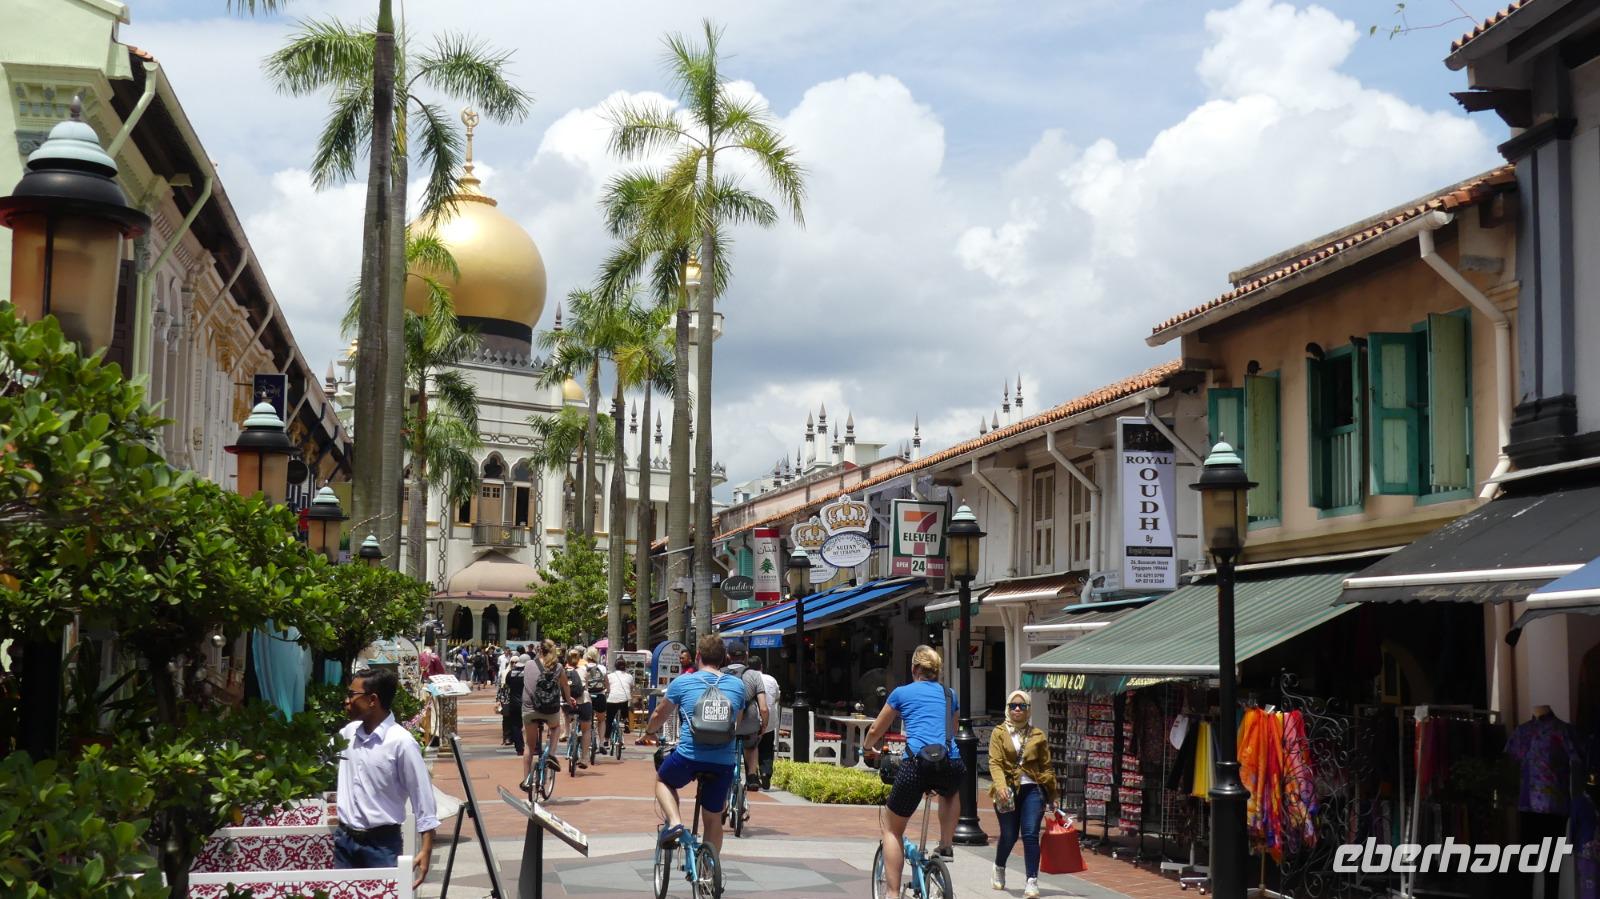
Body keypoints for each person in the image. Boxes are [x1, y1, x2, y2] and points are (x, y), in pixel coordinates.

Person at [863, 645, 962, 899]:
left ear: (915, 669)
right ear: (937, 671)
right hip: (949, 763)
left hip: (916, 765)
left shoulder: (901, 693)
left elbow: (877, 728)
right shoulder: (950, 694)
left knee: (892, 830)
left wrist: (868, 747)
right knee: (950, 793)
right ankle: (946, 845)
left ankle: (893, 893)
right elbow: (951, 730)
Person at [335, 668, 438, 889]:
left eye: (352, 695)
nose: (346, 701)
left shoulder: (401, 742)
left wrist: (426, 848)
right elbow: (317, 760)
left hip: (381, 845)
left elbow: (422, 796)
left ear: (373, 700)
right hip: (345, 842)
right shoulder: (347, 734)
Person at [646, 634, 747, 857]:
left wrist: (649, 731)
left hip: (688, 758)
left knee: (663, 780)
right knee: (713, 819)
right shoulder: (738, 686)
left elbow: (659, 714)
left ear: (698, 656)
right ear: (724, 658)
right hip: (723, 762)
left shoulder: (683, 682)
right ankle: (708, 869)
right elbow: (736, 724)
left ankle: (674, 823)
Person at [989, 689, 1056, 897]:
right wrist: (1000, 786)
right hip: (1006, 790)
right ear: (1008, 708)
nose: (1017, 709)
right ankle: (999, 867)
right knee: (1009, 835)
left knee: (1030, 834)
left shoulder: (1037, 735)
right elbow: (995, 762)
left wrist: (1051, 795)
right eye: (1013, 706)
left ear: (1028, 709)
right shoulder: (999, 732)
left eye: (1022, 706)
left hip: (1032, 789)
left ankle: (1031, 880)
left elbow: (1046, 766)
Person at [519, 640, 570, 791]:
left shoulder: (528, 665)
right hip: (550, 710)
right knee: (555, 728)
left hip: (530, 708)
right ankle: (551, 755)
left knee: (529, 745)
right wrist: (569, 700)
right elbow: (565, 685)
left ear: (539, 650)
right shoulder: (559, 667)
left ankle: (527, 780)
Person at [721, 641, 769, 793]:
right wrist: (764, 725)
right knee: (752, 745)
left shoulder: (720, 673)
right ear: (746, 655)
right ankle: (752, 776)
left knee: (724, 744)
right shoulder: (754, 675)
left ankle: (723, 772)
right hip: (749, 721)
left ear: (728, 656)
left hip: (727, 721)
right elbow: (763, 707)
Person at [750, 656, 780, 790]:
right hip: (769, 721)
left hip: (752, 721)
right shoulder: (771, 679)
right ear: (761, 666)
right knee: (767, 748)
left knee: (750, 748)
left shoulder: (747, 679)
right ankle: (765, 772)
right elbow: (777, 696)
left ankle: (753, 777)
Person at [564, 648, 593, 770]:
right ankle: (585, 758)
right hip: (584, 701)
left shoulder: (563, 671)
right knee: (586, 730)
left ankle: (567, 735)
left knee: (566, 717)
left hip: (568, 702)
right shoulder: (585, 671)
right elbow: (587, 685)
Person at [583, 647, 609, 751]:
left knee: (586, 720)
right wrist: (607, 690)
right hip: (600, 696)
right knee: (602, 720)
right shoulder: (602, 668)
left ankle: (585, 741)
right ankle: (601, 743)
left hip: (587, 696)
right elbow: (607, 684)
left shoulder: (583, 667)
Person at [605, 658, 636, 748]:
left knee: (609, 720)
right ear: (625, 666)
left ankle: (606, 741)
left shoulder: (610, 676)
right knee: (625, 707)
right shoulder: (629, 676)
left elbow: (607, 688)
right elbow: (631, 688)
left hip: (612, 699)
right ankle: (626, 721)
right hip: (624, 699)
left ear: (615, 666)